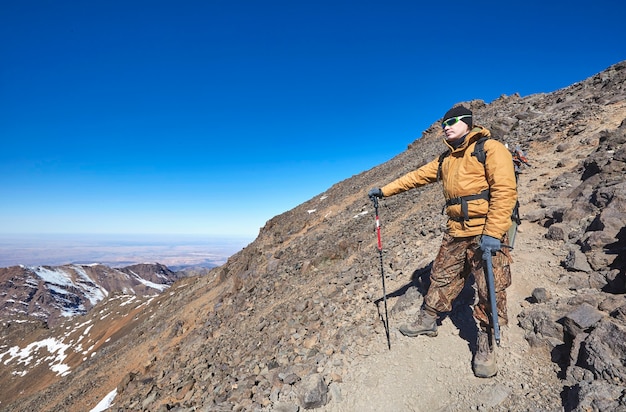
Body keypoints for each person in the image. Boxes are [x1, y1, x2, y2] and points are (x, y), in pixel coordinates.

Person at [368, 105, 517, 378]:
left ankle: (485, 340)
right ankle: (428, 320)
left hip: (485, 230)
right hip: (456, 231)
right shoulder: (445, 159)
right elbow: (414, 178)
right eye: (444, 123)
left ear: (468, 123)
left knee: (490, 287)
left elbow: (505, 189)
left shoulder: (490, 148)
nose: (446, 126)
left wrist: (494, 233)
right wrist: (384, 191)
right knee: (441, 277)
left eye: (453, 121)